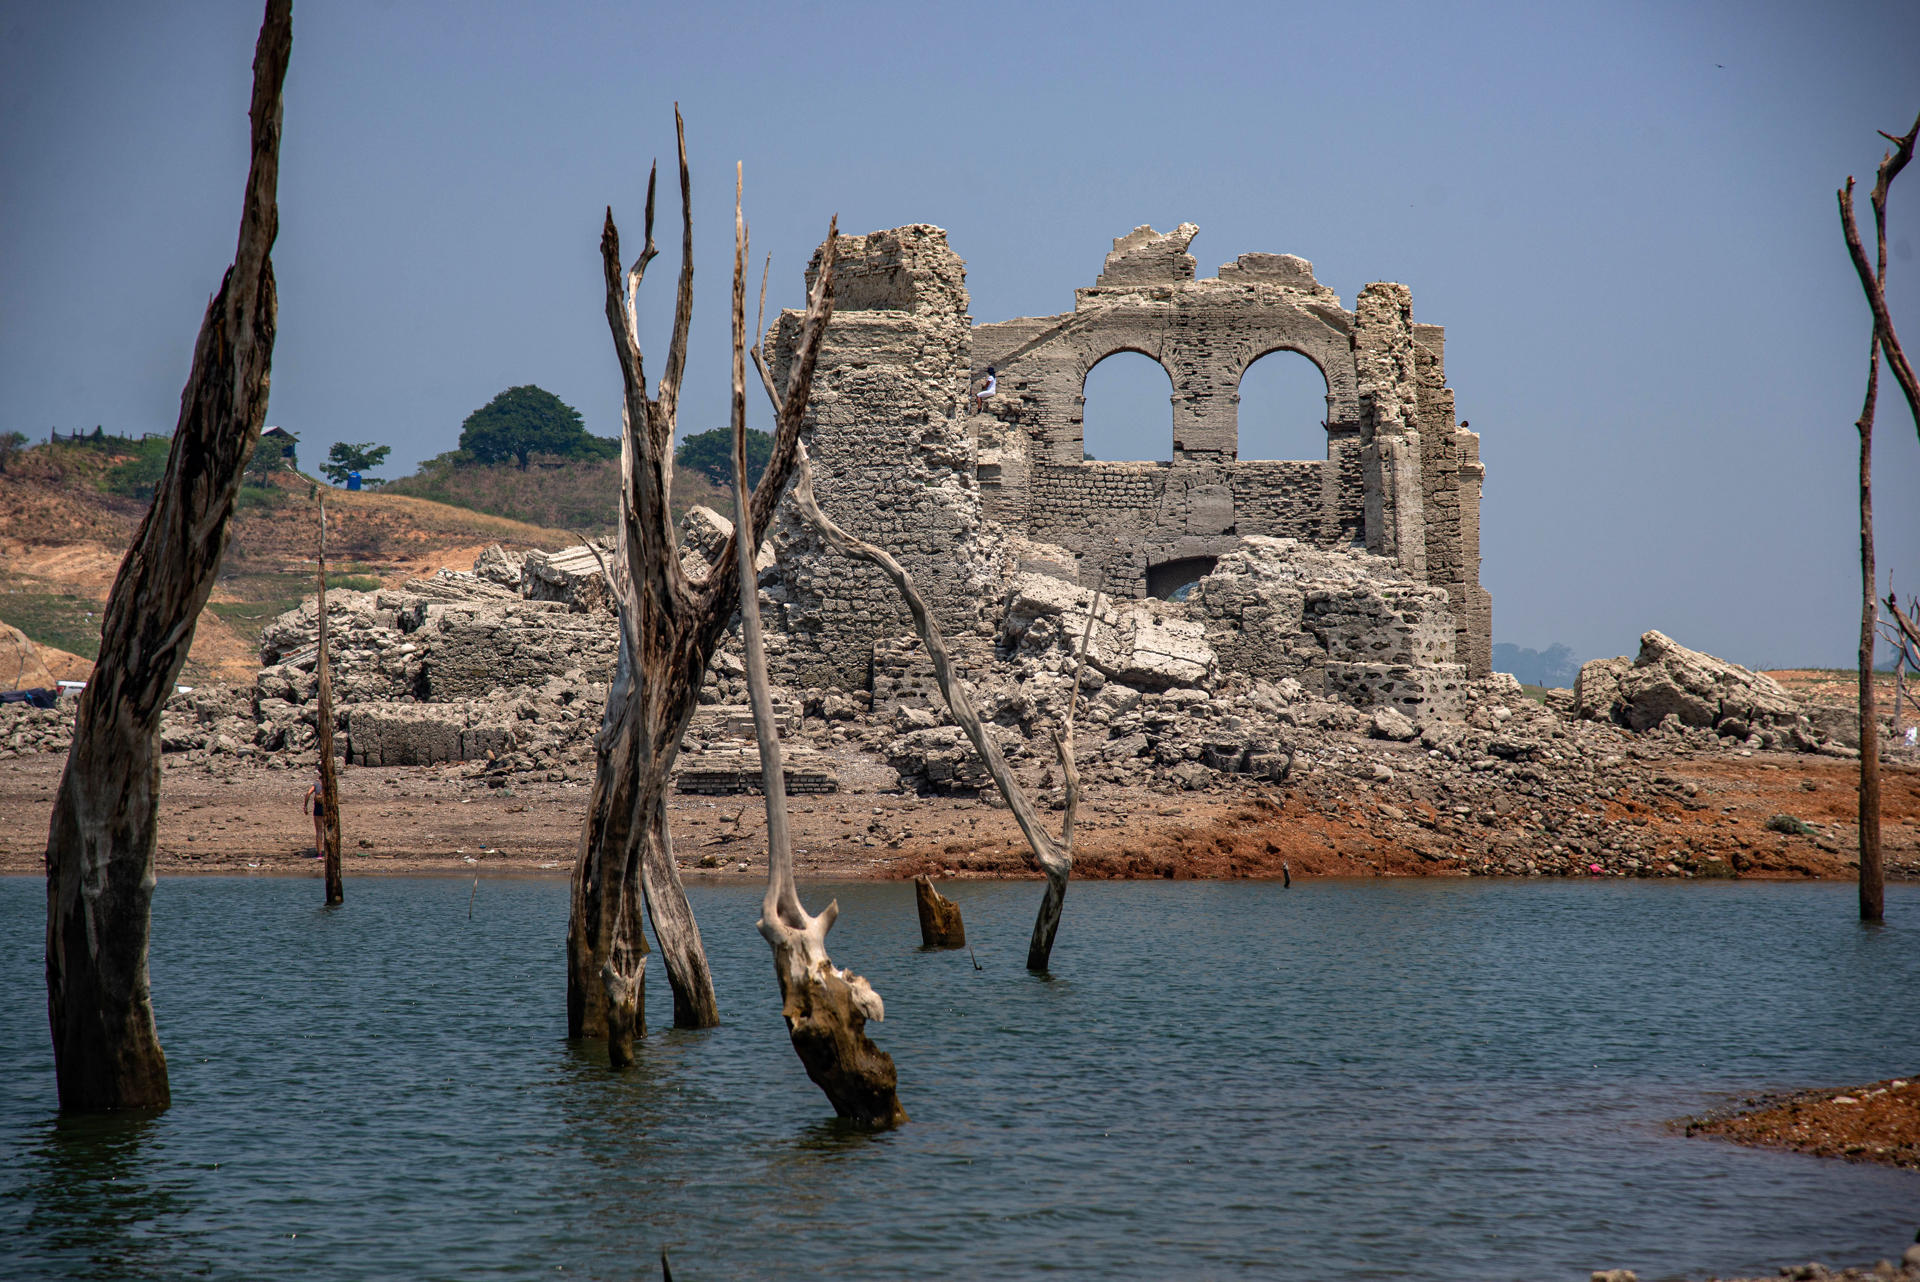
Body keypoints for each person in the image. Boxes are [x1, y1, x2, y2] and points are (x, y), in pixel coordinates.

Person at [303, 767, 327, 859]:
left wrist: (305, 806)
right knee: (328, 830)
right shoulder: (330, 783)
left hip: (318, 808)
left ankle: (319, 854)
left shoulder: (317, 784)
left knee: (319, 831)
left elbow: (308, 793)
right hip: (328, 808)